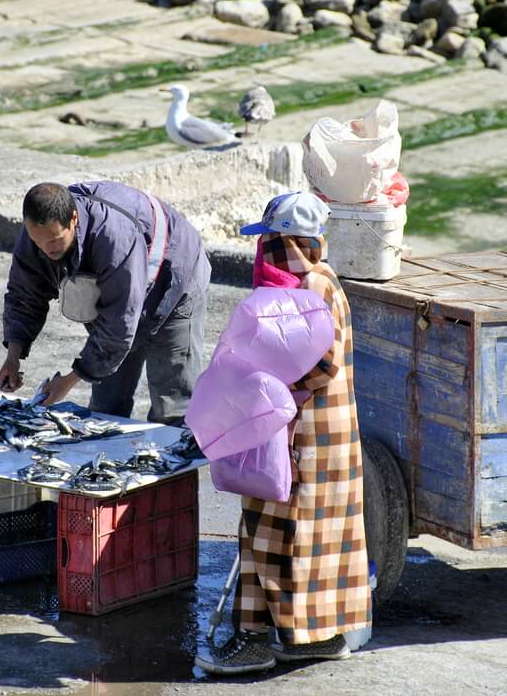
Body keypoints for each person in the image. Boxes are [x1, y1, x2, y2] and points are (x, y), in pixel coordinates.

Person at [195, 192, 372, 676]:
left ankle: (258, 640)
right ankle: (309, 637)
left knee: (276, 532)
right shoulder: (318, 279)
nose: (265, 252)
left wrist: (262, 394)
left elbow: (318, 364)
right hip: (318, 434)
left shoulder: (310, 287)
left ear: (291, 242)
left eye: (272, 241)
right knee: (299, 536)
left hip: (304, 436)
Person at [0, 180, 210, 425]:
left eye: (55, 241)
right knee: (104, 411)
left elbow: (118, 327)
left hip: (175, 285)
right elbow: (25, 295)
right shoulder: (39, 230)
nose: (46, 250)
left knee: (171, 410)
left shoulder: (114, 238)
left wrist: (69, 380)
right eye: (39, 243)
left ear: (73, 219)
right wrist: (13, 356)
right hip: (123, 295)